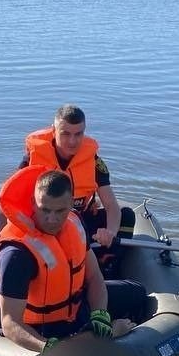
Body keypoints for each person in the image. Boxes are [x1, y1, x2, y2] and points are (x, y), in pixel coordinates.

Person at [0, 167, 148, 353]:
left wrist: (100, 314)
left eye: (60, 211)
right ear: (33, 203)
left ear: (71, 204)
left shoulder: (75, 223)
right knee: (92, 338)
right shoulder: (17, 253)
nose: (51, 219)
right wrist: (108, 334)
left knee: (137, 293)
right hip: (41, 328)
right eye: (45, 210)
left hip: (75, 307)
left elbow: (94, 277)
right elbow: (10, 322)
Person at [19, 105, 136, 268]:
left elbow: (111, 205)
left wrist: (110, 233)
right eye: (65, 134)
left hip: (81, 221)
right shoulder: (33, 158)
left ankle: (106, 263)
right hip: (49, 223)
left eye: (78, 134)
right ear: (54, 130)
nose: (72, 141)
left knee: (127, 216)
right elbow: (17, 202)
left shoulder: (93, 161)